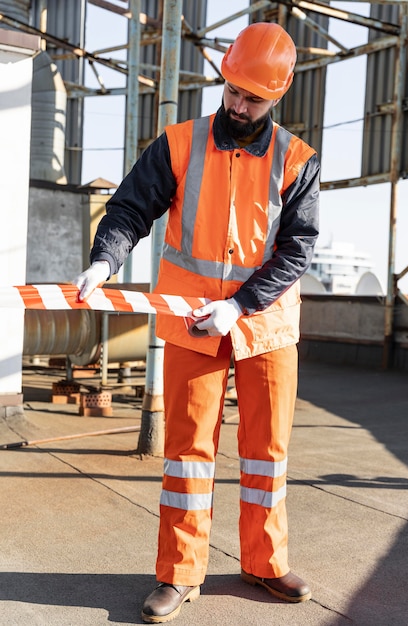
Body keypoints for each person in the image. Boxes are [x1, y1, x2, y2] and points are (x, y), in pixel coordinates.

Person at [75, 21, 320, 624]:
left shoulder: (297, 160)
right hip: (190, 323)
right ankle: (180, 574)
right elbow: (131, 207)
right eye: (231, 91)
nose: (238, 105)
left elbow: (296, 249)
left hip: (265, 326)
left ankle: (265, 562)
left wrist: (240, 305)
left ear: (278, 96)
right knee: (187, 454)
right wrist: (103, 261)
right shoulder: (179, 144)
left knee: (267, 453)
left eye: (252, 98)